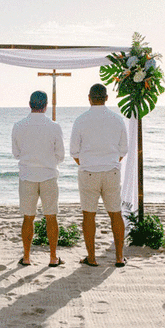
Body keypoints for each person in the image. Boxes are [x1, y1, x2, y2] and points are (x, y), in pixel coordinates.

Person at [70, 83, 128, 267]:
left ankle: (92, 258)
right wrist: (109, 162)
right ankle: (119, 257)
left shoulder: (80, 120)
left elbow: (74, 151)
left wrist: (88, 163)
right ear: (106, 98)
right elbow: (123, 149)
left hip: (88, 172)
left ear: (89, 97)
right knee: (115, 214)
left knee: (89, 215)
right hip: (111, 171)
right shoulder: (117, 119)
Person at [12, 91, 65, 267]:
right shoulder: (54, 127)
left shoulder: (18, 126)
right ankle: (52, 257)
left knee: (28, 217)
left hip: (28, 176)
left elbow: (16, 153)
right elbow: (61, 155)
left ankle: (27, 257)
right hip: (49, 175)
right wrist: (49, 161)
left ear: (30, 104)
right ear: (46, 105)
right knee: (51, 217)